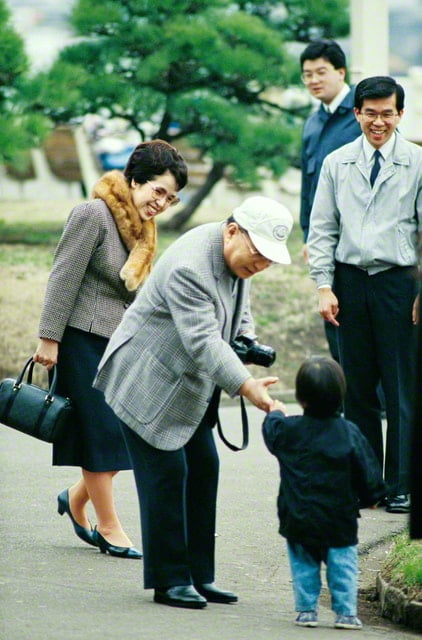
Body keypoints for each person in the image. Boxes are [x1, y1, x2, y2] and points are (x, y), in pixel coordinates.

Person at [93, 196, 294, 608]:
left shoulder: (238, 257)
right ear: (233, 230)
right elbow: (203, 341)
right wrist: (247, 385)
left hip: (185, 382)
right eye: (257, 255)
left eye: (268, 260)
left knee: (204, 467)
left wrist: (248, 341)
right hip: (146, 379)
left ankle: (200, 575)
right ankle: (169, 581)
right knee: (167, 473)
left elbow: (241, 308)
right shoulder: (192, 266)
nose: (260, 265)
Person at [33, 139, 188, 558]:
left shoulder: (143, 231)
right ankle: (110, 526)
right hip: (80, 339)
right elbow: (63, 277)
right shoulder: (93, 215)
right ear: (134, 179)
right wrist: (49, 339)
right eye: (158, 191)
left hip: (119, 346)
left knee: (123, 434)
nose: (162, 203)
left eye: (170, 198)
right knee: (99, 433)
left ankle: (76, 498)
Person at [307, 76, 421, 515]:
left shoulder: (417, 162)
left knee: (402, 389)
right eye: (369, 113)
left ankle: (401, 485)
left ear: (400, 114)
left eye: (387, 113)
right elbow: (322, 228)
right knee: (356, 390)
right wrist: (323, 284)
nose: (378, 122)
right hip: (349, 282)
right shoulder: (337, 163)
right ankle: (366, 482)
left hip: (400, 283)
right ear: (356, 113)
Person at [262, 356, 386, 630]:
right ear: (341, 394)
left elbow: (272, 431)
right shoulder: (348, 431)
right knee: (343, 566)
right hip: (338, 517)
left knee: (304, 565)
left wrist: (275, 411)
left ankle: (307, 611)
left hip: (298, 515)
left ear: (301, 398)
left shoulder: (289, 430)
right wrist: (372, 496)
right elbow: (366, 467)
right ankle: (346, 613)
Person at [299, 39, 362, 362]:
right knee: (332, 316)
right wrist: (309, 236)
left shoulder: (361, 118)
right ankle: (344, 397)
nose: (314, 80)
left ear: (341, 71)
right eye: (307, 74)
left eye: (321, 72)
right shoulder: (313, 122)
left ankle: (372, 405)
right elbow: (307, 187)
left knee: (362, 323)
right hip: (325, 242)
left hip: (359, 242)